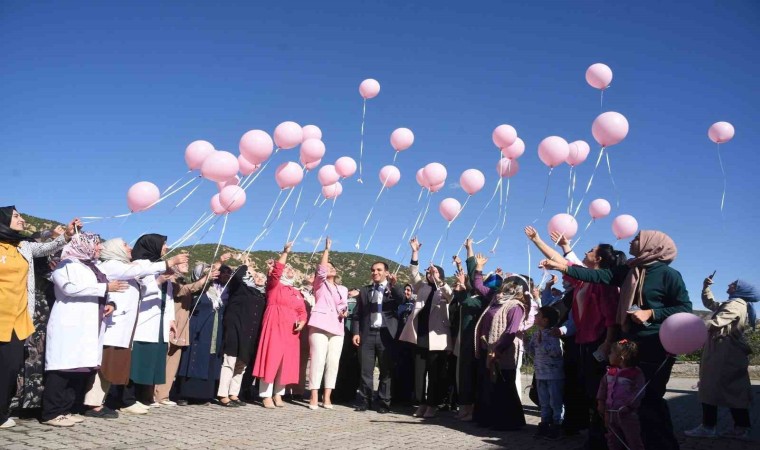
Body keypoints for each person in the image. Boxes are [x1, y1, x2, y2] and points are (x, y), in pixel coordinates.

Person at [541, 230, 692, 450]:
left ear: (652, 245)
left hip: (654, 344)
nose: (632, 241)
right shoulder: (630, 270)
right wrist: (563, 267)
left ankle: (661, 445)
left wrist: (651, 313)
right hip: (629, 343)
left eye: (637, 238)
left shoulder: (668, 274)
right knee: (624, 397)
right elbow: (596, 276)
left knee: (649, 398)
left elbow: (684, 307)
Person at [526, 225, 624, 447]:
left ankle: (601, 437)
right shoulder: (583, 279)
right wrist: (537, 239)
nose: (587, 251)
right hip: (582, 342)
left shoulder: (603, 282)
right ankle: (585, 430)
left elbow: (611, 317)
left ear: (598, 259)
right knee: (583, 388)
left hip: (597, 343)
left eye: (591, 250)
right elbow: (560, 261)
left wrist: (607, 344)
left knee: (595, 390)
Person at [84, 238, 187, 418]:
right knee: (105, 365)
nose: (129, 247)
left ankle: (98, 403)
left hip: (123, 327)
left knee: (111, 366)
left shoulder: (125, 268)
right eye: (125, 245)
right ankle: (93, 404)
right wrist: (170, 262)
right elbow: (137, 270)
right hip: (113, 325)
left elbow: (142, 289)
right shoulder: (112, 265)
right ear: (115, 248)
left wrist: (159, 279)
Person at [1, 207, 77, 429]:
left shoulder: (23, 246)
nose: (21, 219)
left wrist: (67, 235)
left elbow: (46, 247)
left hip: (17, 318)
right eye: (16, 216)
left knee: (11, 367)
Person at [43, 233, 129, 427]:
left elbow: (104, 290)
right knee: (62, 369)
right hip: (70, 323)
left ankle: (67, 409)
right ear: (83, 245)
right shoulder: (65, 265)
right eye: (96, 244)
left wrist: (110, 303)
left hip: (88, 324)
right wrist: (104, 288)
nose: (100, 248)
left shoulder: (92, 266)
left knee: (78, 368)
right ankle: (51, 412)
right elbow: (69, 288)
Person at [684, 277, 757, 440]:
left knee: (711, 387)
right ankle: (741, 427)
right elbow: (711, 304)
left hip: (724, 352)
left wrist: (691, 327)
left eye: (734, 284)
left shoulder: (735, 304)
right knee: (732, 390)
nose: (730, 284)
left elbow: (717, 321)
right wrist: (706, 288)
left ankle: (708, 427)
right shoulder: (733, 303)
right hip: (724, 351)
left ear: (740, 289)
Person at [400, 237, 453, 419]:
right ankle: (421, 403)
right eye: (430, 271)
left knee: (435, 374)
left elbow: (450, 296)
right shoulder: (422, 287)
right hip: (420, 335)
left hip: (437, 338)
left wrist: (439, 281)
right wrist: (415, 252)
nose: (431, 273)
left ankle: (432, 405)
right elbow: (413, 273)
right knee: (419, 373)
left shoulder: (444, 289)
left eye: (435, 272)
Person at [472, 263, 528, 431]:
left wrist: (498, 350)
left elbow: (511, 331)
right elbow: (478, 286)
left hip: (504, 350)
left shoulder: (515, 306)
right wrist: (479, 268)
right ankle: (488, 418)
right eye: (504, 287)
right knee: (488, 384)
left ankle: (508, 422)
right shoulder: (495, 299)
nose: (503, 291)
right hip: (487, 347)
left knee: (504, 385)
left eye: (508, 288)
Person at [10, 230, 60, 419]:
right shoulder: (35, 260)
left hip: (43, 309)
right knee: (32, 355)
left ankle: (30, 401)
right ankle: (24, 402)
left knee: (37, 355)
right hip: (35, 309)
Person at [252, 242, 307, 408]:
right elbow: (276, 272)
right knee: (271, 358)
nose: (290, 270)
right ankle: (265, 394)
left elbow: (302, 311)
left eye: (292, 269)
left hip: (291, 331)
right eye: (287, 268)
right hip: (274, 325)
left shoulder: (297, 292)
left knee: (286, 361)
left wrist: (302, 321)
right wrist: (285, 253)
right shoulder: (274, 286)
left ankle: (278, 393)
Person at [154, 261, 215, 406]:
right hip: (170, 325)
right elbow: (185, 290)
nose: (187, 264)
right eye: (182, 263)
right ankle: (152, 394)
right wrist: (205, 278)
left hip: (181, 328)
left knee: (172, 364)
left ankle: (163, 395)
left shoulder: (182, 281)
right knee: (162, 361)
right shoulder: (170, 281)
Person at [352, 259, 404, 414]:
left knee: (386, 370)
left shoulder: (392, 289)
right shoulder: (365, 291)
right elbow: (357, 314)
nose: (375, 273)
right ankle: (364, 401)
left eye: (379, 270)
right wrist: (356, 332)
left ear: (386, 273)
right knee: (365, 370)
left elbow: (402, 300)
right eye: (373, 270)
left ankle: (383, 402)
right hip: (368, 334)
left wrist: (394, 285)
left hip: (386, 335)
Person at [175, 262, 229, 405]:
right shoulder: (196, 289)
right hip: (197, 330)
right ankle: (185, 394)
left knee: (208, 359)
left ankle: (203, 394)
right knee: (193, 359)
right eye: (208, 273)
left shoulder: (216, 290)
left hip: (213, 329)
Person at [217, 254, 267, 407]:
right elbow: (238, 276)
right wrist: (246, 266)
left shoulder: (262, 296)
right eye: (256, 276)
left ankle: (234, 393)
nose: (259, 278)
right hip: (235, 328)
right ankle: (223, 394)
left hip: (250, 333)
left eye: (262, 277)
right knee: (230, 361)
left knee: (241, 364)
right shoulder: (241, 287)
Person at [306, 237, 349, 410]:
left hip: (337, 328)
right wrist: (326, 250)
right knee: (318, 360)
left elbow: (343, 304)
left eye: (333, 267)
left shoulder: (343, 289)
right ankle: (314, 395)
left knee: (333, 362)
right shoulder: (320, 285)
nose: (330, 268)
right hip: (320, 325)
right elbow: (322, 270)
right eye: (328, 266)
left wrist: (344, 311)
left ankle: (328, 396)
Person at [454, 238, 491, 422]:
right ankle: (465, 406)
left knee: (471, 375)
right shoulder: (474, 293)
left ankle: (471, 408)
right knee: (464, 374)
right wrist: (469, 248)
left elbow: (466, 301)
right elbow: (471, 270)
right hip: (465, 340)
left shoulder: (483, 299)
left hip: (475, 342)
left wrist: (460, 290)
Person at [597, 339, 646, 450]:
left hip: (627, 414)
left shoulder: (635, 373)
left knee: (633, 439)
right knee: (612, 440)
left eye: (611, 353)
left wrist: (630, 405)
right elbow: (602, 388)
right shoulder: (610, 372)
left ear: (621, 358)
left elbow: (639, 392)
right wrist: (600, 402)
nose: (608, 355)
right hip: (610, 413)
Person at [527, 307, 564, 440]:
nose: (535, 316)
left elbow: (556, 352)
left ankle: (557, 425)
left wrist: (542, 344)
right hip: (540, 373)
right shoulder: (536, 334)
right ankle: (544, 424)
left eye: (538, 314)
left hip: (553, 374)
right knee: (544, 402)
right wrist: (526, 343)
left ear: (545, 320)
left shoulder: (553, 334)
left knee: (555, 401)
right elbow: (531, 350)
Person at [392, 283, 417, 405]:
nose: (406, 292)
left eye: (409, 290)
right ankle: (396, 395)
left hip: (411, 342)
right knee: (397, 368)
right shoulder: (398, 305)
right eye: (405, 290)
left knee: (409, 370)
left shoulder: (415, 305)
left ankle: (408, 397)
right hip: (398, 341)